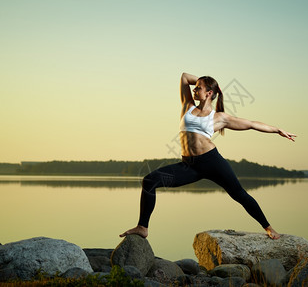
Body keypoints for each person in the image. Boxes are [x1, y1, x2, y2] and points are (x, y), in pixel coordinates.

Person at [120, 72, 296, 240]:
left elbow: (251, 124)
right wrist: (213, 85)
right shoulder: (187, 106)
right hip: (188, 165)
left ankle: (268, 227)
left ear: (209, 93)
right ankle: (142, 227)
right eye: (195, 87)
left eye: (199, 88)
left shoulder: (219, 117)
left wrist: (277, 130)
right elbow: (184, 77)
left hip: (211, 162)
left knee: (239, 194)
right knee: (150, 181)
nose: (194, 90)